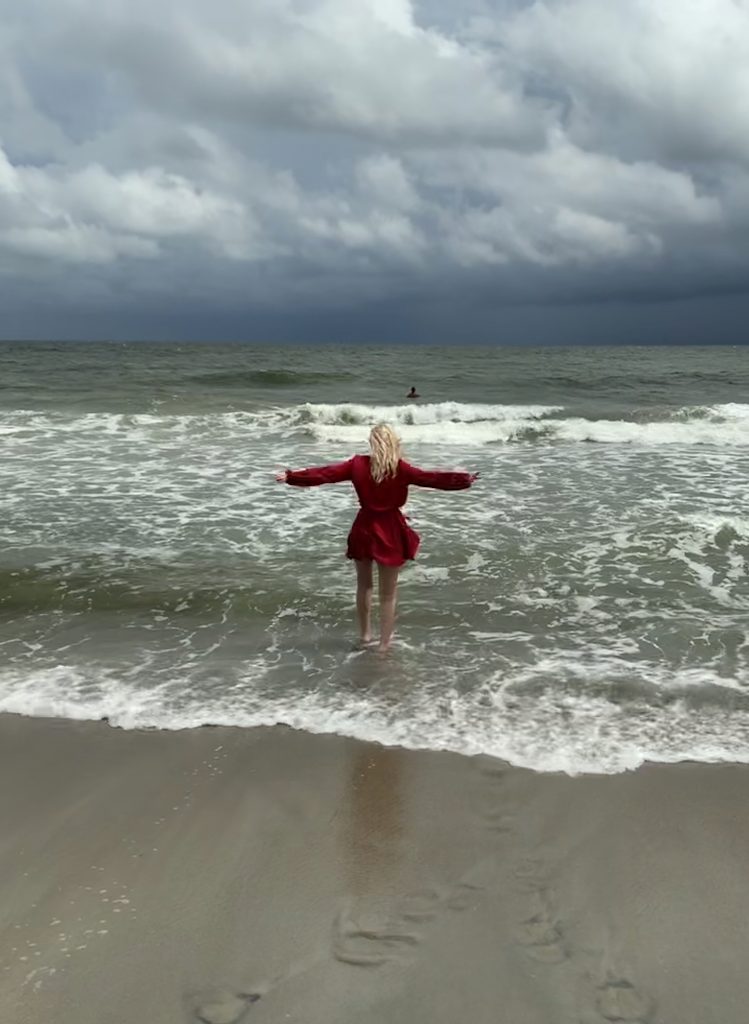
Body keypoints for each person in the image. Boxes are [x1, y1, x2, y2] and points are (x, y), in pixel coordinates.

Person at [276, 423, 479, 653]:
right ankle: (384, 645)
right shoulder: (400, 468)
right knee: (388, 593)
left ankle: (364, 637)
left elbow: (325, 474)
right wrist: (465, 480)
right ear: (394, 443)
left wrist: (292, 477)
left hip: (364, 527)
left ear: (373, 443)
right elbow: (431, 478)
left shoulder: (357, 465)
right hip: (390, 530)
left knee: (363, 587)